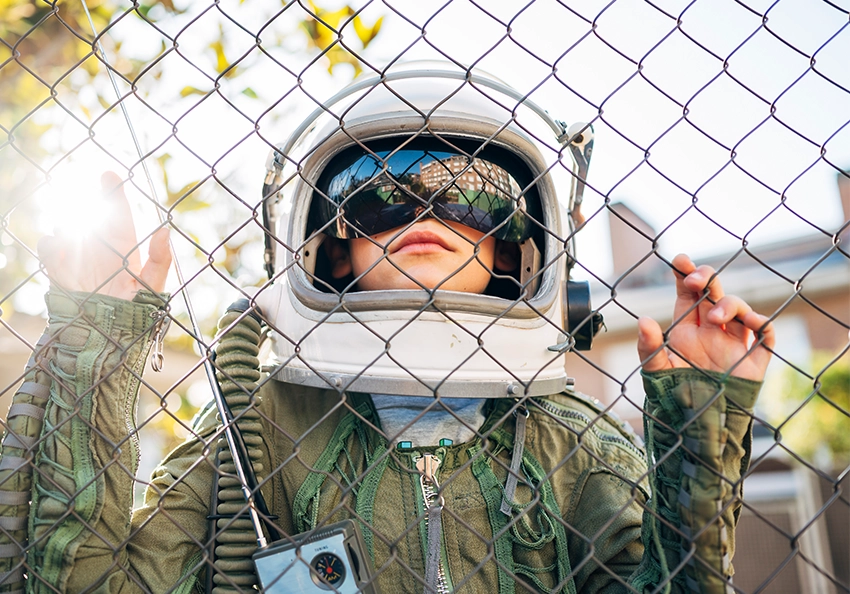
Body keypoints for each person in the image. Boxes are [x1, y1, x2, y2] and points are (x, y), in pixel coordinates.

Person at [0, 65, 774, 594]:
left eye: (473, 198)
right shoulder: (255, 425)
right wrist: (91, 339)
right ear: (329, 243)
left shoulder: (571, 441)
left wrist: (700, 423)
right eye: (378, 198)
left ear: (516, 246)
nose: (426, 216)